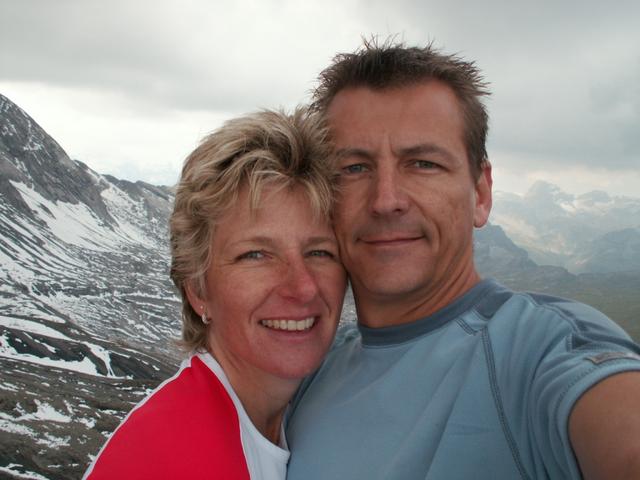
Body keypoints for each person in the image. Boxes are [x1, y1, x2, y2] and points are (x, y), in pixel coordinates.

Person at [285, 41, 640, 479]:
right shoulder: (311, 369)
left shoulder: (540, 351)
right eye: (354, 168)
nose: (386, 200)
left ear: (481, 193)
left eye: (423, 163)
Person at [84, 108, 346, 479]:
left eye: (319, 252)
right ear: (197, 289)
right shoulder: (178, 460)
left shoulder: (278, 420)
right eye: (255, 255)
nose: (302, 286)